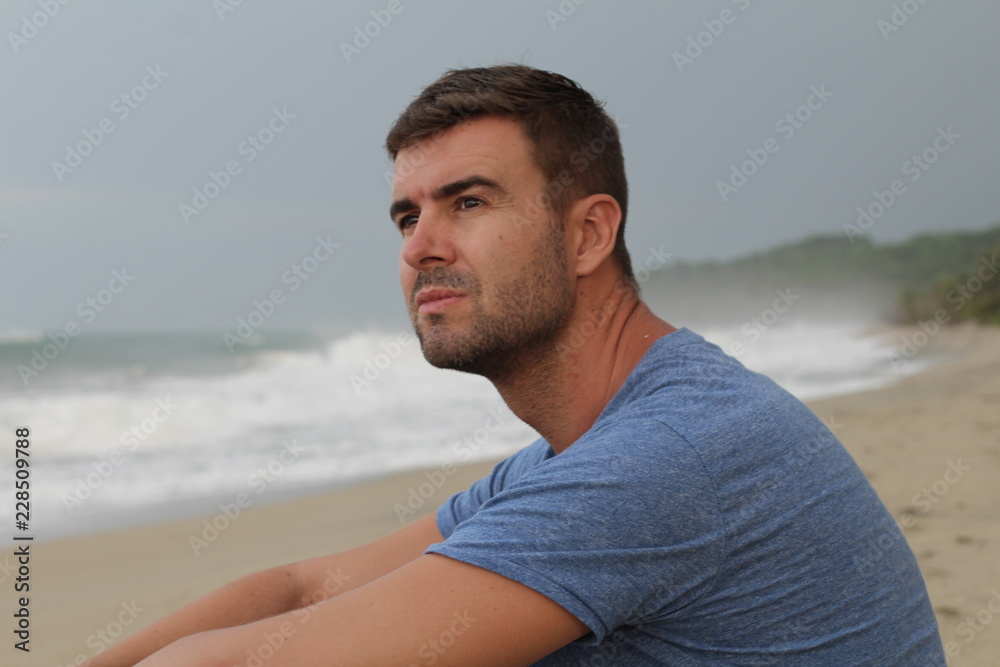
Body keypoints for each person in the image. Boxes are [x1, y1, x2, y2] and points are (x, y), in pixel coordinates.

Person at [95, 64, 944, 665]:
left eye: (468, 202)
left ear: (587, 234)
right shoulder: (574, 458)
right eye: (404, 217)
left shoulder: (668, 456)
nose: (421, 246)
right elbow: (299, 586)